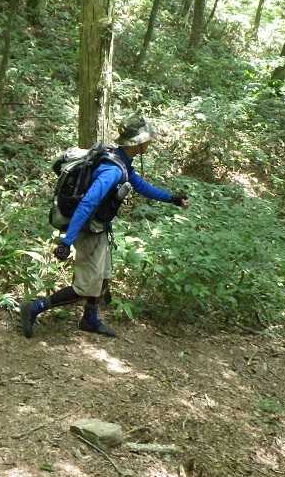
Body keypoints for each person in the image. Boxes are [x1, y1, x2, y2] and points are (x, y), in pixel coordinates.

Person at [19, 117, 188, 338]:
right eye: (147, 139)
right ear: (138, 142)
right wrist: (67, 241)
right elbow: (87, 203)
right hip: (87, 230)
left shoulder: (120, 161)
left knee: (103, 277)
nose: (150, 142)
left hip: (98, 228)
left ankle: (90, 319)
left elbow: (141, 186)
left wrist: (171, 198)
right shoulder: (113, 171)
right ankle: (34, 307)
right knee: (85, 287)